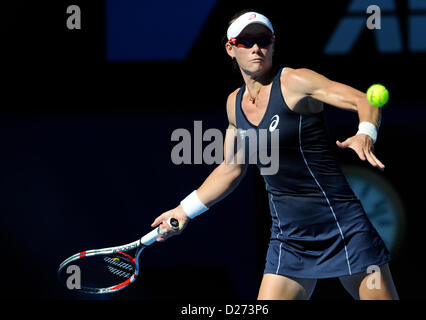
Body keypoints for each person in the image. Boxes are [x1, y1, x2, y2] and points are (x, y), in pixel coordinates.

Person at [151, 10, 399, 300]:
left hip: (343, 227)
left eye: (263, 40)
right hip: (289, 238)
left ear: (272, 45)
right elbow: (231, 168)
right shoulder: (234, 103)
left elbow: (362, 99)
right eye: (246, 41)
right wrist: (184, 211)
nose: (257, 48)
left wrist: (366, 133)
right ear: (231, 49)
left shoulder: (295, 81)